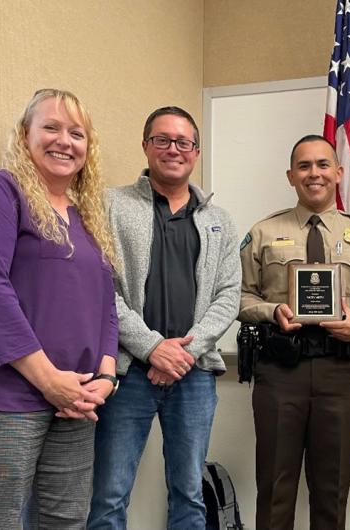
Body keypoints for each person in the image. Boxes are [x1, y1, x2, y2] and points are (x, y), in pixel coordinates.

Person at [239, 134, 350, 530]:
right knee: (275, 488)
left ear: (338, 172)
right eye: (304, 166)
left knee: (332, 492)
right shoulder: (263, 232)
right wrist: (271, 310)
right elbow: (239, 298)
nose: (313, 173)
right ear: (290, 175)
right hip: (279, 371)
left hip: (340, 371)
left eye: (321, 165)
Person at [88, 106, 241, 530]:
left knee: (189, 494)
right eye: (163, 140)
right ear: (146, 146)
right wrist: (153, 348)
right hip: (129, 372)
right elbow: (102, 290)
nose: (174, 149)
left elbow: (229, 295)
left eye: (183, 142)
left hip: (193, 375)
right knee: (109, 494)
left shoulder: (218, 221)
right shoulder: (109, 206)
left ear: (196, 152)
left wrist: (183, 354)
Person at [0, 88, 118, 529]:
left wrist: (107, 377)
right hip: (9, 397)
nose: (64, 141)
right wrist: (47, 380)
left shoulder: (88, 214)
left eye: (76, 133)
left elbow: (106, 305)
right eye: (51, 127)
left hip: (78, 400)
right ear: (25, 135)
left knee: (66, 521)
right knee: (0, 519)